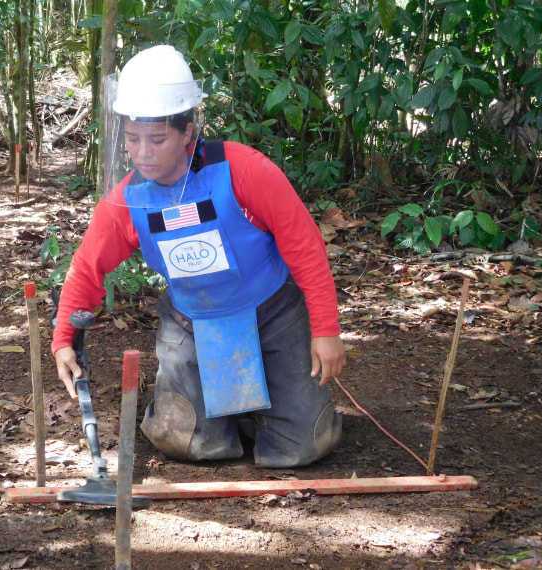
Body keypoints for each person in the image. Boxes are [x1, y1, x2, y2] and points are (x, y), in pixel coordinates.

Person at [51, 45, 346, 468]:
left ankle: (263, 403)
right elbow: (87, 267)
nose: (143, 153)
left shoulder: (244, 169)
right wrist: (64, 338)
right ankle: (228, 408)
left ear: (189, 131)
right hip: (191, 321)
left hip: (273, 312)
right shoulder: (128, 200)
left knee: (304, 447)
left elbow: (304, 246)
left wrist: (325, 329)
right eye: (132, 139)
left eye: (157, 139)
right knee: (187, 442)